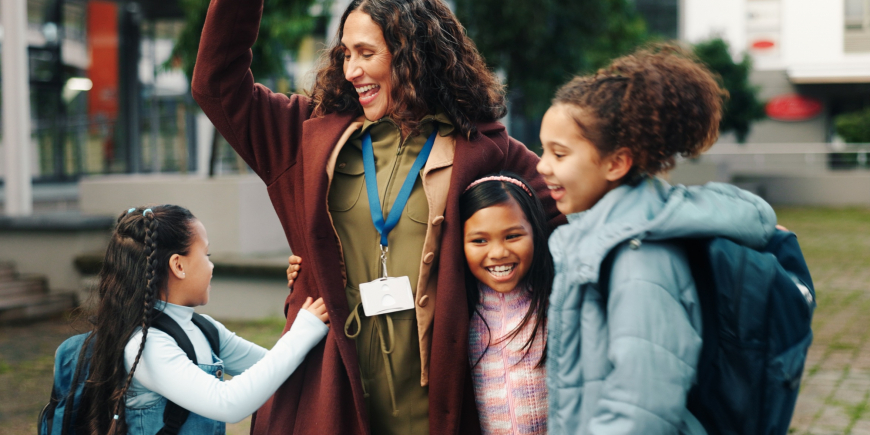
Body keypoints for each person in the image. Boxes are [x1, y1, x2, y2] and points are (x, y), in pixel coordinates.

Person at [191, 0, 562, 433]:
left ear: (414, 55)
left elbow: (567, 226)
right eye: (346, 54)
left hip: (442, 406)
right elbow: (216, 85)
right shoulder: (304, 136)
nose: (351, 70)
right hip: (330, 404)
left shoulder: (487, 150)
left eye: (366, 54)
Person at [536, 45, 778, 434]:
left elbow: (642, 407)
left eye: (559, 154)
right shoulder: (601, 239)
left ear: (616, 163)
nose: (541, 165)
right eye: (543, 149)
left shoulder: (638, 259)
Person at [74, 205, 329, 435]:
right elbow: (228, 403)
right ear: (178, 266)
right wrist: (301, 332)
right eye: (206, 255)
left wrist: (300, 289)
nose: (212, 266)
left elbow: (282, 371)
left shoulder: (205, 330)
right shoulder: (146, 345)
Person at [460, 173, 553, 435]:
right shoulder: (457, 311)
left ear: (535, 231)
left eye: (512, 236)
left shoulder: (556, 302)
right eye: (480, 240)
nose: (499, 253)